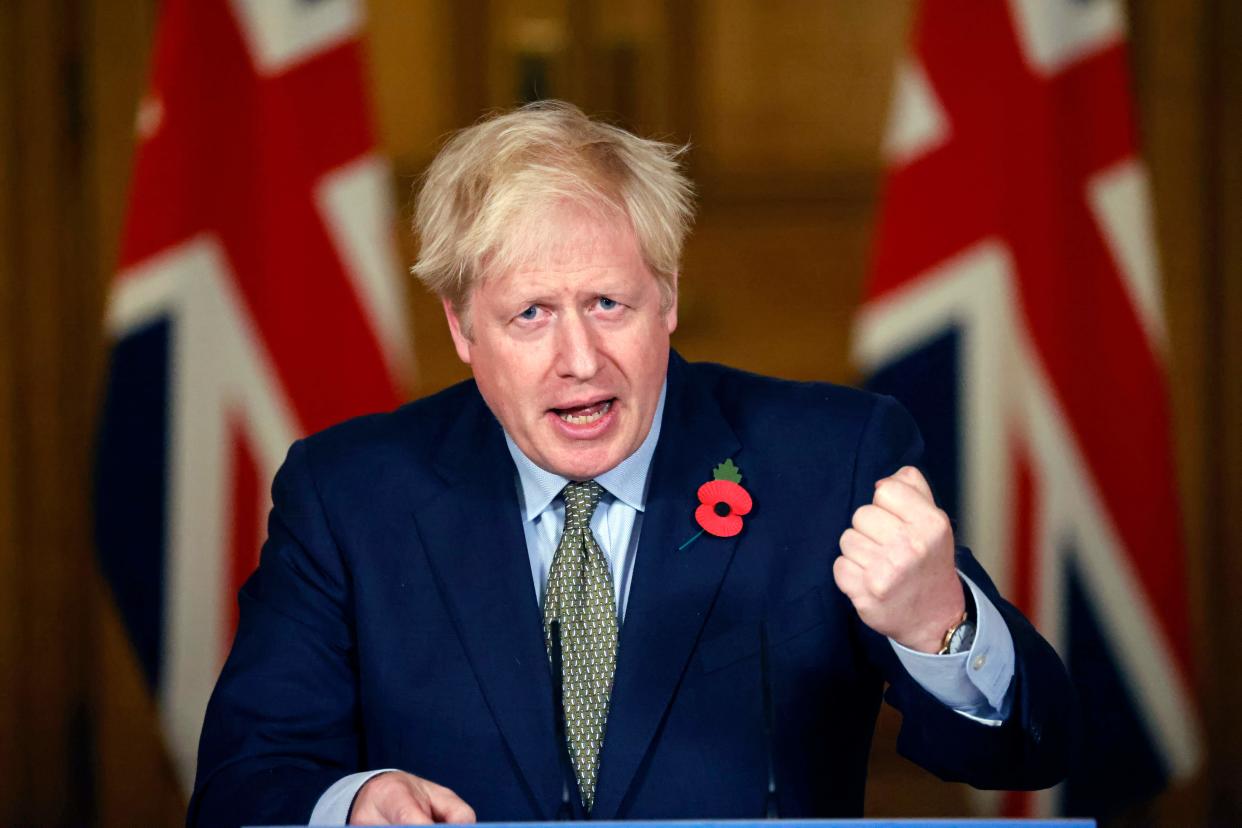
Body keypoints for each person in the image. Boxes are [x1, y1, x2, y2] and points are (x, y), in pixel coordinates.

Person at [189, 101, 1076, 827]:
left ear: (670, 297)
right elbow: (242, 783)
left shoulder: (830, 460)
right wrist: (348, 805)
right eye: (531, 314)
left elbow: (1030, 751)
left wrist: (940, 625)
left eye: (609, 302)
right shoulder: (349, 497)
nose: (580, 358)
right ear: (462, 328)